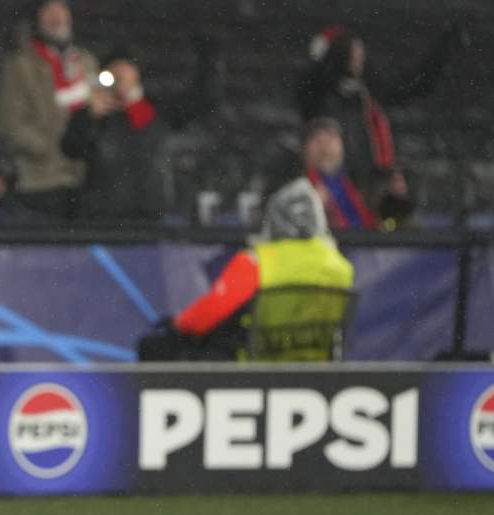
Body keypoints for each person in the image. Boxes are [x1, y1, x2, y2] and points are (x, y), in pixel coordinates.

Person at [138, 177, 354, 361]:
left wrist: (177, 323)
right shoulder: (341, 267)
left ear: (275, 218)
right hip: (315, 366)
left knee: (155, 346)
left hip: (256, 363)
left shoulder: (257, 261)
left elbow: (208, 314)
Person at [295, 23, 464, 223]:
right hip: (331, 190)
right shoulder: (317, 95)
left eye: (360, 53)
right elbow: (310, 86)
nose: (358, 59)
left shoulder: (369, 92)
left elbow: (418, 83)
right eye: (352, 53)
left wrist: (442, 51)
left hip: (370, 188)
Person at [59, 40, 222, 220]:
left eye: (125, 67)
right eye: (113, 69)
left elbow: (204, 101)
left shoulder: (155, 110)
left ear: (136, 73)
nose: (119, 73)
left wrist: (209, 60)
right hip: (102, 218)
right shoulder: (93, 113)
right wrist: (88, 116)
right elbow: (70, 148)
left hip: (148, 215)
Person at [0, 0, 98, 219]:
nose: (57, 18)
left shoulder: (86, 62)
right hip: (39, 180)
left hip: (84, 180)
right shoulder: (20, 65)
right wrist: (52, 149)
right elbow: (9, 123)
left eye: (62, 10)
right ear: (37, 19)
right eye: (49, 11)